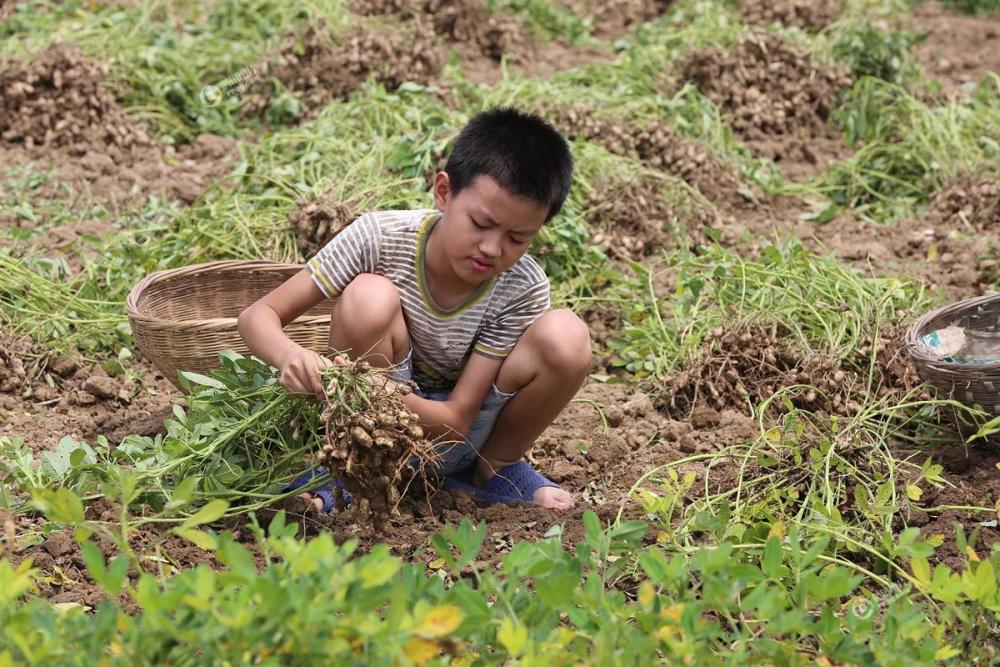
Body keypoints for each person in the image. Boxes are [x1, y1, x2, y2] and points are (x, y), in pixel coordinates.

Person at [237, 107, 591, 512]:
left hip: (460, 440)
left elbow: (456, 422)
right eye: (480, 223)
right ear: (443, 192)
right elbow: (257, 316)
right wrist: (293, 357)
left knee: (567, 336)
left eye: (517, 237)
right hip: (368, 426)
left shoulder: (521, 286)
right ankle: (355, 468)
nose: (492, 248)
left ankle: (497, 468)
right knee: (368, 296)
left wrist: (362, 389)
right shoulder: (378, 238)